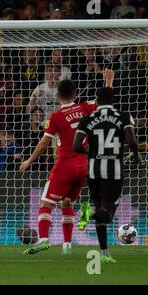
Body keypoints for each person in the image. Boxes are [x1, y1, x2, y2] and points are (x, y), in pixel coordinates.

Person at [20, 76, 105, 255]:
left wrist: (29, 160)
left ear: (58, 96)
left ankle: (43, 240)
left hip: (65, 164)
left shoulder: (56, 116)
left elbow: (44, 143)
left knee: (46, 203)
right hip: (83, 166)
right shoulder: (84, 107)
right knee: (66, 203)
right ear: (75, 93)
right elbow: (104, 101)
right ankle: (67, 245)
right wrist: (108, 81)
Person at [73, 80, 142, 264]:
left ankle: (104, 254)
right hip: (114, 170)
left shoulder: (87, 118)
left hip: (94, 170)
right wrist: (135, 155)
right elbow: (132, 142)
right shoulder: (123, 116)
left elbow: (76, 146)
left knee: (100, 211)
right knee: (107, 214)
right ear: (113, 100)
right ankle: (88, 214)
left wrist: (90, 152)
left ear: (97, 100)